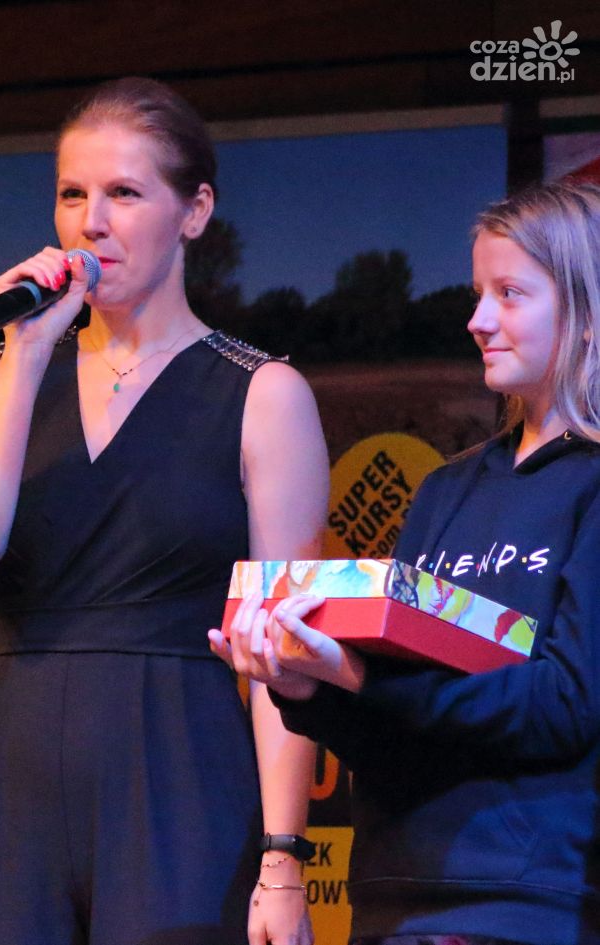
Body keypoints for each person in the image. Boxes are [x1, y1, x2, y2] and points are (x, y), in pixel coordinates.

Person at [0, 76, 329, 945]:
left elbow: (282, 653)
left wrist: (283, 857)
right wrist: (26, 354)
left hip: (178, 761)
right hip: (17, 762)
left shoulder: (262, 395)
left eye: (124, 193)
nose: (92, 222)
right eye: (72, 194)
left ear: (194, 211)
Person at [212, 179, 600, 945]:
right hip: (391, 902)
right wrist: (307, 687)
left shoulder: (590, 484)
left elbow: (565, 704)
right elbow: (392, 723)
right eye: (478, 293)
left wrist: (365, 679)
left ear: (586, 313)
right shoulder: (445, 490)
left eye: (510, 294)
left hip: (525, 905)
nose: (477, 319)